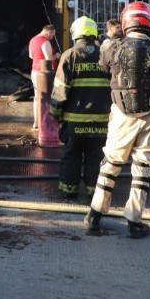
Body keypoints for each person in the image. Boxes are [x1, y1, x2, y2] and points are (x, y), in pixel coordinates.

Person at [84, 1, 150, 239]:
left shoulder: (110, 48)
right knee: (142, 166)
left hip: (120, 113)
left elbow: (105, 68)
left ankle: (95, 215)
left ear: (125, 22)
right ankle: (134, 221)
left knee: (111, 164)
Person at [50, 16, 111, 201]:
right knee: (96, 158)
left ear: (76, 34)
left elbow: (60, 90)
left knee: (71, 157)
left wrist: (55, 113)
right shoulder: (106, 54)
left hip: (74, 121)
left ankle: (69, 192)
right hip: (101, 121)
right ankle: (95, 194)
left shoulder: (70, 55)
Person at [29, 24, 61, 129]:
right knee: (48, 98)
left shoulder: (33, 40)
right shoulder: (45, 42)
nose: (53, 37)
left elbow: (31, 55)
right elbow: (48, 58)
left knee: (37, 97)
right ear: (49, 32)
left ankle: (36, 122)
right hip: (45, 74)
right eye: (53, 35)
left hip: (34, 71)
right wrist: (56, 56)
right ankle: (46, 122)